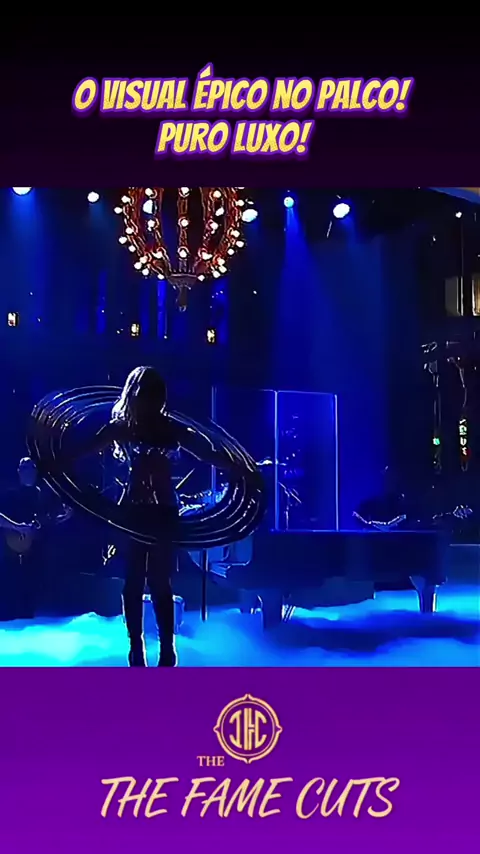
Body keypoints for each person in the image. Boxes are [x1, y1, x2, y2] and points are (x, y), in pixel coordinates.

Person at [43, 366, 246, 667]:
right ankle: (138, 648)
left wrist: (240, 467)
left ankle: (165, 649)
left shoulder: (169, 428)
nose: (151, 402)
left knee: (156, 582)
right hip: (136, 512)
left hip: (160, 512)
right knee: (136, 582)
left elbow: (206, 452)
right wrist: (55, 461)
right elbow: (86, 447)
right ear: (137, 396)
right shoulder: (126, 428)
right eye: (147, 396)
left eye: (155, 396)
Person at [0, 457, 72, 619]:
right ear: (19, 472)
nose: (29, 473)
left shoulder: (41, 496)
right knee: (9, 593)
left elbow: (45, 521)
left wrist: (63, 517)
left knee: (30, 596)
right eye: (25, 468)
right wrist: (17, 527)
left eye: (32, 468)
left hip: (33, 555)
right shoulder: (9, 495)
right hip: (9, 554)